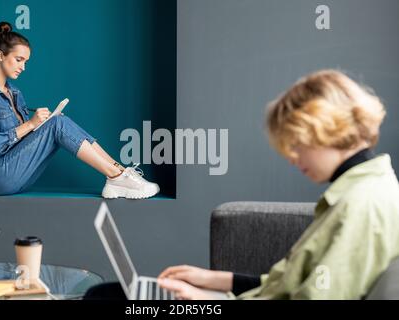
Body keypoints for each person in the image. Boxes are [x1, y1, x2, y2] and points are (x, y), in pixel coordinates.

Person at [155, 70, 399, 300]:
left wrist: (209, 302)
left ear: (325, 128)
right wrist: (219, 280)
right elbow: (294, 284)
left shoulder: (359, 205)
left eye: (296, 144)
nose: (292, 158)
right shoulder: (366, 188)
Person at [0, 22, 159, 199]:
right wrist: (31, 124)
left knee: (59, 120)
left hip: (14, 171)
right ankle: (116, 177)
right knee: (58, 124)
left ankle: (121, 172)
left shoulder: (14, 92)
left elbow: (21, 142)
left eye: (26, 62)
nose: (23, 67)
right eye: (19, 60)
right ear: (1, 55)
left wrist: (40, 126)